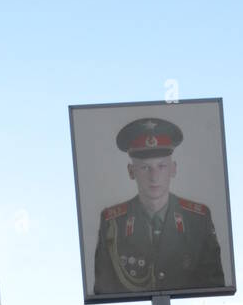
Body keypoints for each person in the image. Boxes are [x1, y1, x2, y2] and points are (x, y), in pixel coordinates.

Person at [93, 117, 225, 295]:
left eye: (161, 166)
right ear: (131, 172)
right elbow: (104, 290)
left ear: (173, 169)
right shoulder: (112, 223)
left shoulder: (197, 219)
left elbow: (214, 287)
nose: (154, 177)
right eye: (145, 168)